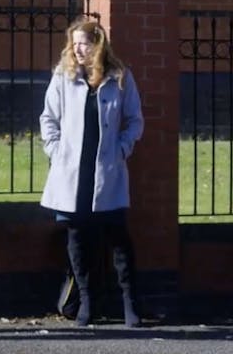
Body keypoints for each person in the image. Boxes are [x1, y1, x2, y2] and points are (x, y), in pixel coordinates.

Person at [39, 19, 144, 327]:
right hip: (72, 173)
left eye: (84, 42)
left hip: (106, 171)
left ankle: (130, 303)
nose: (77, 49)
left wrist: (122, 149)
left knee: (119, 238)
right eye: (74, 43)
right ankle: (86, 301)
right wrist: (55, 151)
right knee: (77, 239)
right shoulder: (63, 76)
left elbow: (135, 120)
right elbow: (48, 117)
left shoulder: (120, 78)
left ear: (98, 45)